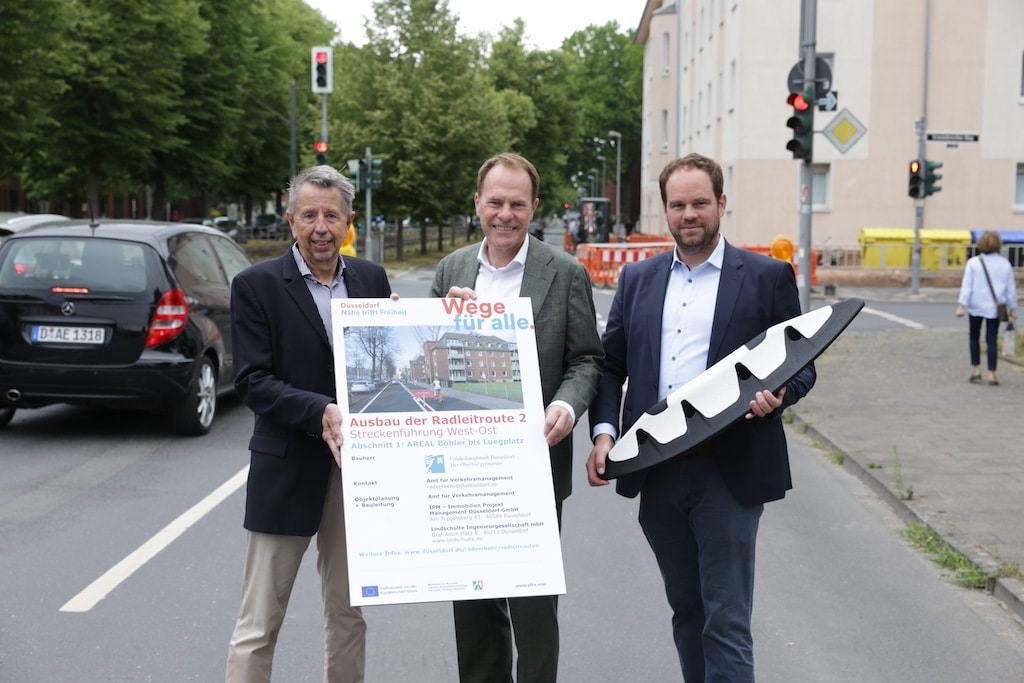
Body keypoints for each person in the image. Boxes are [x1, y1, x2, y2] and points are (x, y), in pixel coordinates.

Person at [585, 153, 817, 683]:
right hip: (657, 468)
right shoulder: (638, 279)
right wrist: (604, 433)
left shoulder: (765, 276)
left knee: (726, 618)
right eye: (678, 204)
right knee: (687, 611)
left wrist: (780, 393)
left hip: (728, 472)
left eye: (700, 203)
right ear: (665, 210)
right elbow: (610, 365)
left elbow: (802, 365)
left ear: (721, 205)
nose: (690, 214)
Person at [430, 152, 604, 683]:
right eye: (496, 202)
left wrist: (568, 405)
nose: (505, 214)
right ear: (477, 203)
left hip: (533, 468)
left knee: (532, 612)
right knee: (474, 613)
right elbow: (430, 361)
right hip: (463, 474)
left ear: (534, 208)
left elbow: (586, 359)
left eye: (517, 204)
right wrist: (434, 326)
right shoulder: (452, 270)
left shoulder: (566, 273)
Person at [225, 165, 393, 683]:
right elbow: (252, 381)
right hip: (287, 469)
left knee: (348, 614)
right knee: (259, 625)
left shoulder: (370, 279)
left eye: (332, 215)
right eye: (310, 214)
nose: (321, 226)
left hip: (356, 473)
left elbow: (387, 360)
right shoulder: (256, 286)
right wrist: (319, 411)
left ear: (348, 222)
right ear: (292, 218)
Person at [955, 230, 1018, 385]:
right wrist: (1012, 308)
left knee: (974, 336)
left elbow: (967, 286)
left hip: (976, 304)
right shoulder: (1005, 265)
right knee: (991, 339)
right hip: (996, 307)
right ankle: (992, 373)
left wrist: (961, 305)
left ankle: (975, 369)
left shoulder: (973, 263)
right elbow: (1010, 289)